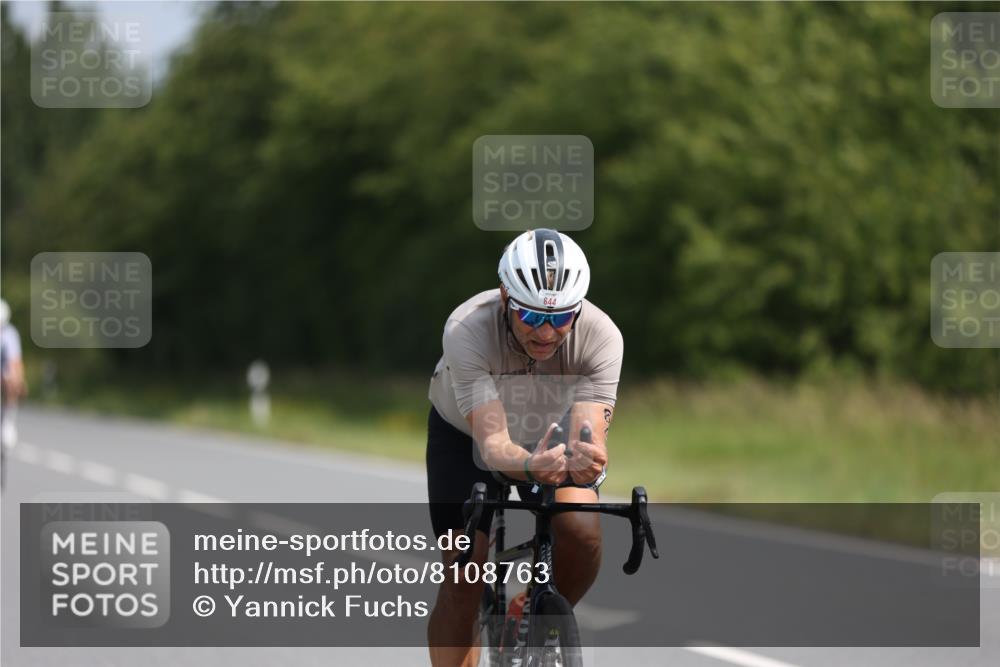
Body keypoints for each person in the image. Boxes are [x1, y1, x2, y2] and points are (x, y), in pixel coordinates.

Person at [426, 229, 623, 667]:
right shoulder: (467, 329)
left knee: (582, 529)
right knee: (465, 575)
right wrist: (533, 468)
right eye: (532, 317)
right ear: (504, 298)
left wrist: (588, 458)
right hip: (466, 435)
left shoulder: (601, 336)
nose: (548, 333)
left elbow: (588, 430)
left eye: (561, 317)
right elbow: (493, 445)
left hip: (546, 429)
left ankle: (531, 612)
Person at [1, 298, 26, 450]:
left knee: (12, 378)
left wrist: (19, 380)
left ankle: (8, 420)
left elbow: (14, 360)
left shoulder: (10, 334)